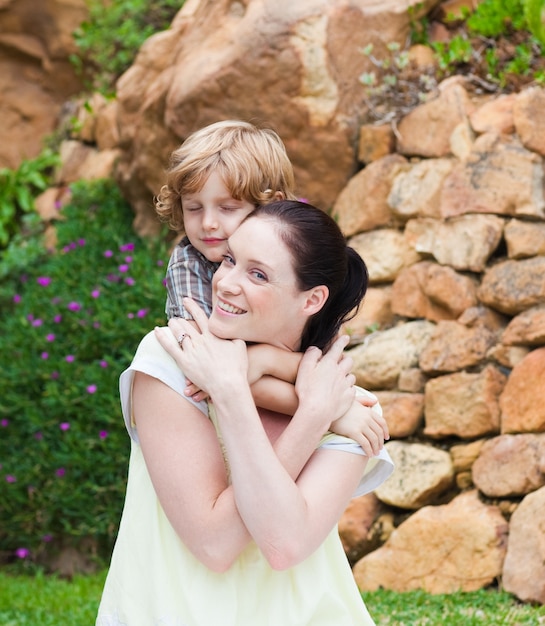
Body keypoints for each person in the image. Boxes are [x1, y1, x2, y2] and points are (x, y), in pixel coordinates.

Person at [96, 200, 394, 625]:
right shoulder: (170, 361)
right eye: (229, 260)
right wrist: (293, 411)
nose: (225, 283)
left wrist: (310, 412)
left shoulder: (350, 407)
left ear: (312, 299)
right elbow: (214, 544)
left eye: (257, 274)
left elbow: (285, 545)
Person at [154, 119, 387, 455]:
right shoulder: (190, 264)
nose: (208, 223)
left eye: (228, 208)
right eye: (193, 208)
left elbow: (321, 369)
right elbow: (218, 370)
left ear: (269, 205)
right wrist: (333, 413)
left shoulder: (296, 264)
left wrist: (265, 360)